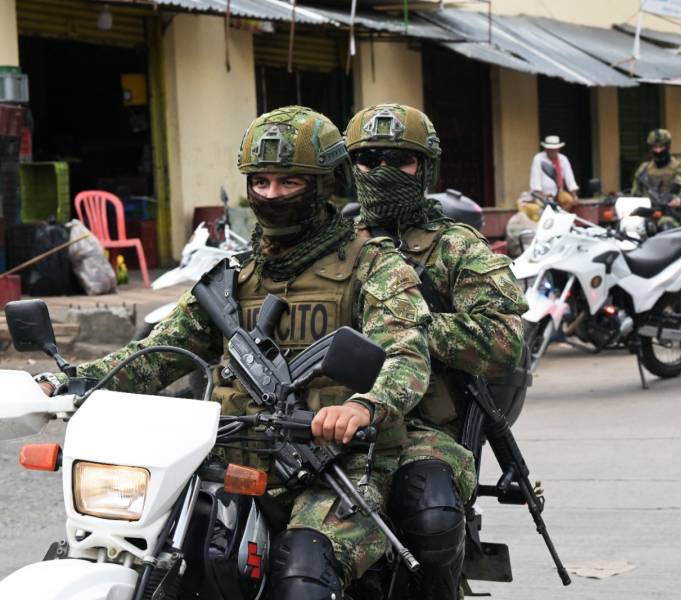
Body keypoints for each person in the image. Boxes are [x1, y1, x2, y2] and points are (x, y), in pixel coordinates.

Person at [36, 105, 433, 599]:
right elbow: (159, 352)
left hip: (337, 466)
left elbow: (407, 352)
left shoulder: (374, 264)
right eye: (260, 182)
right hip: (228, 460)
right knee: (159, 562)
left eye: (289, 183)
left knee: (304, 576)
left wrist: (362, 406)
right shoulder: (229, 278)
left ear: (327, 182)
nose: (271, 196)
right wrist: (65, 384)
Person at [344, 103, 528, 599]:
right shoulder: (332, 247)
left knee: (433, 517)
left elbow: (505, 343)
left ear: (425, 169)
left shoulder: (455, 248)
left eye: (398, 160)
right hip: (327, 418)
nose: (381, 171)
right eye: (368, 159)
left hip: (424, 428)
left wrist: (410, 327)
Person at [630, 128, 681, 205]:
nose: (658, 151)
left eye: (661, 146)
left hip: (671, 211)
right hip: (646, 211)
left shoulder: (679, 168)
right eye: (655, 147)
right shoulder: (644, 169)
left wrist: (678, 201)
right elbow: (635, 194)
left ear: (667, 146)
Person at [530, 134, 579, 209]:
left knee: (569, 200)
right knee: (540, 208)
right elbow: (535, 179)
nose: (552, 151)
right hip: (542, 194)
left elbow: (570, 178)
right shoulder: (538, 159)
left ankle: (560, 217)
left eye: (555, 149)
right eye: (550, 149)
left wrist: (574, 195)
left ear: (558, 149)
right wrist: (542, 195)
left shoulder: (563, 159)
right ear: (546, 149)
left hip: (558, 192)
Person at [505, 191, 542, 258]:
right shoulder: (518, 218)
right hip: (519, 254)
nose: (534, 206)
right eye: (528, 203)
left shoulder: (537, 218)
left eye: (532, 203)